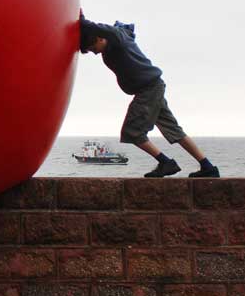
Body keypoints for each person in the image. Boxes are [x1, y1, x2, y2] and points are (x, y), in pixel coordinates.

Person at [79, 10, 219, 178]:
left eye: (93, 48)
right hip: (152, 87)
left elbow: (99, 28)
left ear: (101, 38)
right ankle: (208, 167)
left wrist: (82, 20)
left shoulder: (118, 37)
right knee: (174, 130)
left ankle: (166, 163)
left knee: (132, 132)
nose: (94, 53)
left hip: (148, 89)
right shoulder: (109, 47)